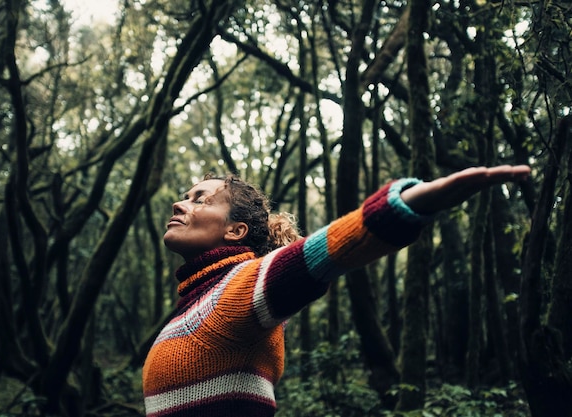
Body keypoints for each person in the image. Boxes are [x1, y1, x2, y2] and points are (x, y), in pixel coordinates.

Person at [142, 165, 531, 417]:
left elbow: (318, 254)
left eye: (201, 200)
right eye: (186, 196)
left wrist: (403, 206)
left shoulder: (236, 291)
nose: (180, 203)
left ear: (235, 231)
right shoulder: (194, 304)